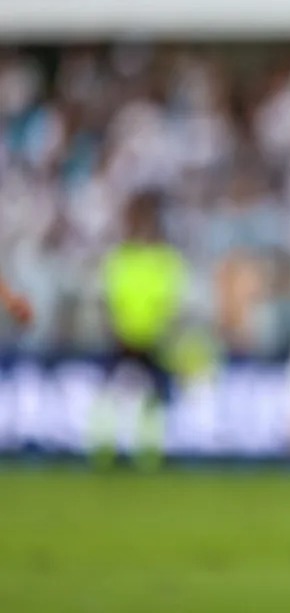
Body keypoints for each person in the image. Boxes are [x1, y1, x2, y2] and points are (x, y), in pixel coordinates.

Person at [97, 190, 187, 470]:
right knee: (111, 394)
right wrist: (118, 330)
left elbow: (170, 304)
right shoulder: (121, 257)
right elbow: (109, 300)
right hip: (123, 338)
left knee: (156, 396)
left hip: (153, 339)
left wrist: (158, 333)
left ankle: (149, 452)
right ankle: (105, 449)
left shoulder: (165, 259)